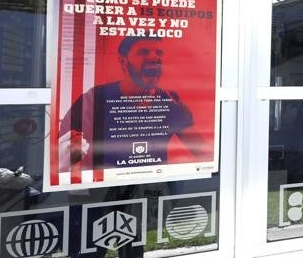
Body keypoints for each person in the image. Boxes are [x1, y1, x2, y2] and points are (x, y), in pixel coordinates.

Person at [59, 35, 210, 173]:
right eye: (143, 52)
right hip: (104, 188)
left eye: (159, 53)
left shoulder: (171, 103)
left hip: (153, 185)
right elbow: (63, 152)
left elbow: (204, 152)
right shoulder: (95, 98)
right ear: (123, 61)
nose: (153, 57)